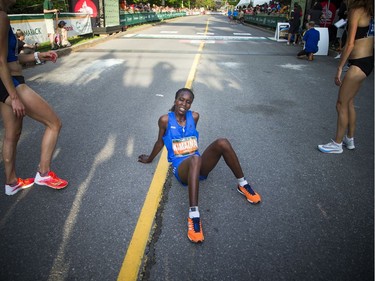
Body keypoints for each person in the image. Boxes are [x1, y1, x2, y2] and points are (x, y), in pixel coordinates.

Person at [138, 88, 261, 243]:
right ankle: (193, 216)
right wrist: (150, 158)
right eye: (181, 100)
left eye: (188, 102)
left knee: (222, 142)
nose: (184, 104)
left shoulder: (194, 117)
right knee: (195, 159)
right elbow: (160, 142)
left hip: (199, 165)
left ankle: (243, 184)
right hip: (181, 169)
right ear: (175, 100)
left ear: (191, 104)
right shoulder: (164, 120)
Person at [0, 0, 68, 195]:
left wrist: (38, 56)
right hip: (10, 83)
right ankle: (44, 173)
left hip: (6, 82)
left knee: (12, 134)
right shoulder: (1, 17)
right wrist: (13, 96)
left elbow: (11, 57)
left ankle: (11, 182)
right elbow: (0, 61)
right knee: (54, 123)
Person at [318, 0, 374, 154]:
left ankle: (337, 143)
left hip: (358, 63)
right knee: (349, 101)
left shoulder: (356, 10)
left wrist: (340, 67)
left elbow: (350, 44)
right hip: (367, 61)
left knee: (340, 103)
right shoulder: (369, 11)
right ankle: (350, 139)